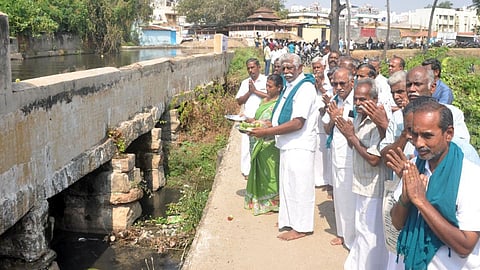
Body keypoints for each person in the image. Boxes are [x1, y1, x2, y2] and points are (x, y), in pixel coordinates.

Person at [387, 99, 480, 269]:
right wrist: (405, 199)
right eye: (414, 134)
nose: (419, 143)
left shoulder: (471, 177)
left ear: (449, 133)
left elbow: (465, 246)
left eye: (427, 135)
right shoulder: (414, 165)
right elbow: (397, 223)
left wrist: (420, 201)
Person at [249, 53, 318, 241]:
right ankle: (289, 220)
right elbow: (282, 115)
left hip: (300, 145)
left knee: (300, 187)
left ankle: (302, 226)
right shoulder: (291, 86)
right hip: (288, 145)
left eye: (290, 68)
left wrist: (267, 133)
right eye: (284, 68)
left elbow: (297, 123)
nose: (286, 72)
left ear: (300, 67)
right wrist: (267, 124)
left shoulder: (305, 88)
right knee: (288, 185)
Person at [339, 78, 389, 269]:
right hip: (361, 181)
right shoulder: (360, 116)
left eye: (363, 99)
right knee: (362, 228)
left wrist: (351, 136)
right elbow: (356, 145)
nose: (358, 103)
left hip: (374, 186)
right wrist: (348, 134)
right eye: (356, 99)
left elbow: (375, 159)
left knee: (370, 232)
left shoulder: (378, 122)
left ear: (374, 99)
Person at [322, 67, 356, 248]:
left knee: (350, 198)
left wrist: (339, 119)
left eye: (342, 83)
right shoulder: (334, 101)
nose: (339, 87)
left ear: (352, 82)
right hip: (336, 154)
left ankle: (352, 239)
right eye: (335, 83)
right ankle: (343, 234)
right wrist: (332, 117)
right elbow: (327, 129)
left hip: (351, 157)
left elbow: (356, 131)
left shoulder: (357, 101)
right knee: (340, 197)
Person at [244, 74, 283, 215]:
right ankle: (262, 201)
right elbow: (258, 118)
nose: (267, 89)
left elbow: (276, 122)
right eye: (266, 85)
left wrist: (261, 126)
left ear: (279, 88)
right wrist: (250, 121)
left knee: (271, 173)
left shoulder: (280, 103)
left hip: (270, 142)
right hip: (258, 139)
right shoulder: (265, 100)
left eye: (270, 86)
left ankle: (274, 203)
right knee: (260, 172)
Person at [235, 58, 268, 179]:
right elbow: (239, 101)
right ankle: (247, 171)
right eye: (248, 68)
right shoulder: (245, 83)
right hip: (247, 119)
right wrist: (249, 92)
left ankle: (260, 171)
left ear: (259, 67)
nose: (250, 70)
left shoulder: (266, 80)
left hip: (262, 120)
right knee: (246, 146)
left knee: (262, 145)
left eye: (253, 67)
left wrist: (256, 91)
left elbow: (271, 96)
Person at [311, 57, 333, 189]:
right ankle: (317, 179)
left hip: (327, 122)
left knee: (326, 152)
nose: (316, 70)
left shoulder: (330, 83)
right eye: (314, 67)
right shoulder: (310, 83)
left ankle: (328, 180)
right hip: (314, 122)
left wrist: (321, 88)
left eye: (318, 67)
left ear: (324, 67)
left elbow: (333, 97)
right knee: (317, 152)